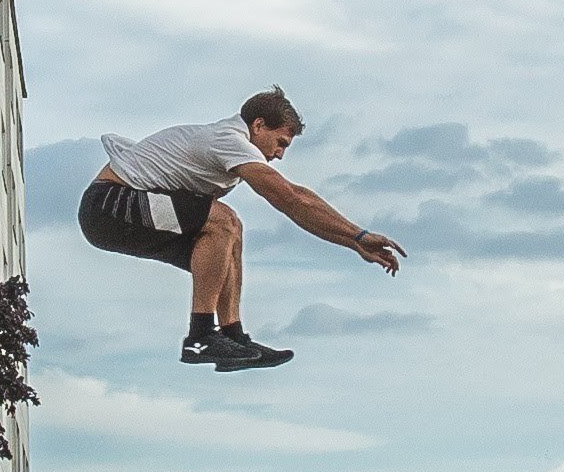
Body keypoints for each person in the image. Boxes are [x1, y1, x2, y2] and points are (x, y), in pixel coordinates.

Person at [78, 88, 406, 371]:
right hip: (107, 205)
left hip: (121, 214)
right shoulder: (229, 140)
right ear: (258, 125)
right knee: (224, 220)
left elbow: (297, 198)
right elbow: (291, 198)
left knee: (229, 236)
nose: (279, 154)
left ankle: (232, 338)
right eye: (280, 143)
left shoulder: (230, 145)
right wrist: (358, 236)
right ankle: (201, 337)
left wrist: (353, 241)